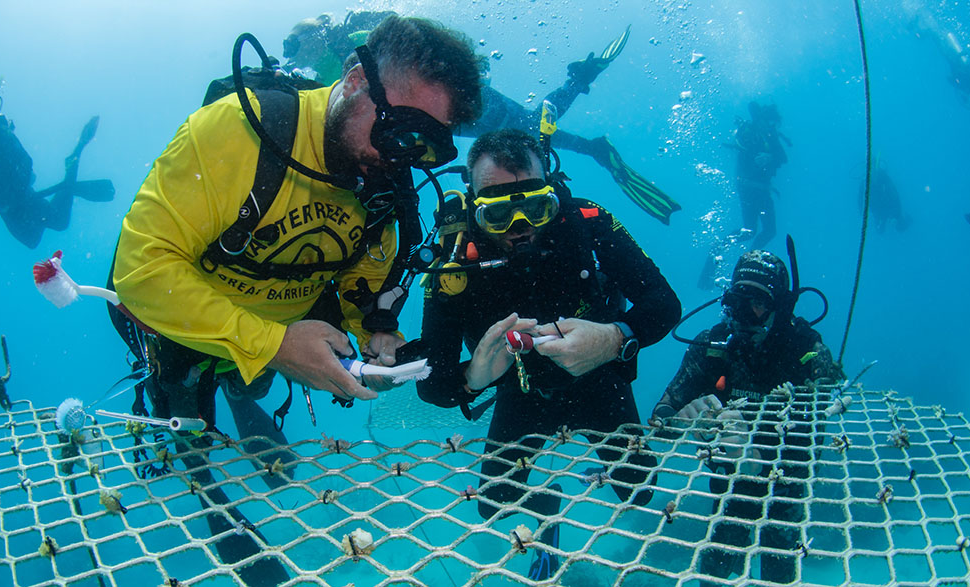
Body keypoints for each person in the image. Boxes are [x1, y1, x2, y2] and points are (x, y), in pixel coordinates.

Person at [108, 16, 482, 583]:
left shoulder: (382, 186)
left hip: (279, 327)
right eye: (397, 128)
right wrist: (275, 343)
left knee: (250, 379)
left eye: (423, 146)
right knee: (185, 412)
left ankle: (243, 389)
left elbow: (362, 283)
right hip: (183, 324)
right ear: (356, 80)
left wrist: (379, 335)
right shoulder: (238, 132)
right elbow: (140, 270)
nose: (399, 157)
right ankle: (215, 499)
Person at [417, 129, 681, 580]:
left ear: (552, 192)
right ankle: (547, 519)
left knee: (638, 490)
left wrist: (614, 338)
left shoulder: (589, 221)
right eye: (498, 215)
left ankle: (589, 488)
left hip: (601, 378)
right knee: (493, 508)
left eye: (537, 209)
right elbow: (431, 382)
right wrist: (473, 377)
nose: (521, 228)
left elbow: (664, 304)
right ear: (474, 206)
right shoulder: (456, 258)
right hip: (520, 390)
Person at [282, 12, 680, 224]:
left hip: (448, 100)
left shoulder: (356, 32)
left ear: (318, 30)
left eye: (293, 41)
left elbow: (418, 52)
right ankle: (585, 117)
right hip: (429, 114)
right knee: (523, 128)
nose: (291, 51)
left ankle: (579, 91)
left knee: (524, 128)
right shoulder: (325, 66)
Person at [651, 249, 844, 585]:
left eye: (756, 301)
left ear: (781, 305)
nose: (742, 313)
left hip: (785, 485)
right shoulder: (713, 343)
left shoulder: (806, 349)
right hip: (729, 487)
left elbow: (817, 432)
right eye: (737, 299)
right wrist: (680, 417)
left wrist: (759, 457)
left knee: (779, 572)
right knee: (715, 572)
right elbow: (663, 412)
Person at [0, 87, 114, 248]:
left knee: (60, 222)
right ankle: (67, 185)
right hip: (6, 209)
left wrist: (19, 191)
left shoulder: (0, 133)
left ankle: (75, 157)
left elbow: (25, 161)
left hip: (25, 198)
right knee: (32, 241)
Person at [726, 101, 788, 250]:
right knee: (751, 231)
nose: (770, 126)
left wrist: (770, 157)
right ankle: (722, 247)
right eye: (768, 122)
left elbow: (783, 157)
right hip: (749, 189)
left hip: (762, 190)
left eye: (772, 123)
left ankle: (749, 256)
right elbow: (743, 158)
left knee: (764, 231)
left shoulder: (770, 136)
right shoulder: (748, 133)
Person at [905, 0, 970, 111]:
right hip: (955, 60)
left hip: (957, 59)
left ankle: (922, 25)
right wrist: (957, 80)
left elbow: (964, 75)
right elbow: (955, 79)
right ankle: (921, 25)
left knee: (939, 39)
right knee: (938, 40)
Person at [868, 157, 911, 233]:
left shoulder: (893, 212)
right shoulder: (896, 211)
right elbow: (892, 193)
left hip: (877, 199)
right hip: (878, 198)